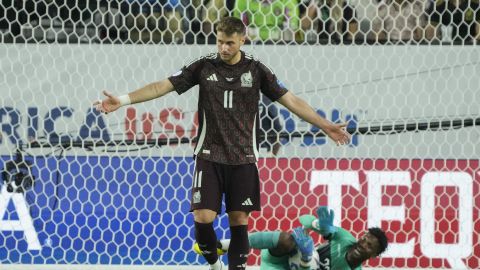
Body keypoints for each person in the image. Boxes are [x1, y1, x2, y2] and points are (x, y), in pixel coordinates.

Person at [93, 16, 350, 270]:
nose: (224, 48)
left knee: (239, 221)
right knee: (202, 219)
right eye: (219, 42)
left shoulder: (257, 70)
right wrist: (123, 100)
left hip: (244, 158)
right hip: (209, 155)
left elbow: (291, 100)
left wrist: (325, 125)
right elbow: (162, 86)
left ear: (242, 40)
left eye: (229, 43)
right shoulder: (204, 66)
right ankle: (215, 264)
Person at [195, 206, 389, 269]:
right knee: (288, 238)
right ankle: (223, 245)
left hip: (299, 266)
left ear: (374, 255)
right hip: (280, 260)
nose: (363, 244)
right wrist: (318, 225)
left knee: (310, 260)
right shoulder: (345, 239)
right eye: (365, 238)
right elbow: (303, 219)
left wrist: (305, 260)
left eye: (370, 246)